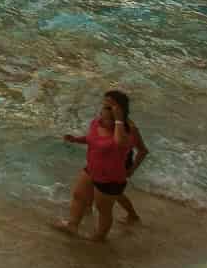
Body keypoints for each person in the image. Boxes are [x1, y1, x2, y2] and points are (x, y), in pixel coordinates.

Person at [57, 88, 149, 242]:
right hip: (91, 170)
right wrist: (75, 139)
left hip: (110, 179)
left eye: (108, 107)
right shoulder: (96, 122)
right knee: (79, 196)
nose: (102, 110)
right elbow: (91, 139)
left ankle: (100, 237)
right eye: (103, 105)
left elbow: (132, 147)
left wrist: (131, 170)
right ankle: (72, 225)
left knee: (103, 210)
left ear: (119, 111)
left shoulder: (128, 130)